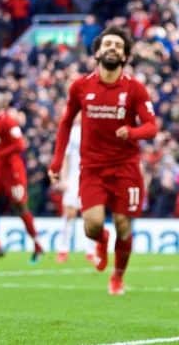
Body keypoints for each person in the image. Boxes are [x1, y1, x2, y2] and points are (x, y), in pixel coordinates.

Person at [49, 26, 157, 295]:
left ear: (125, 56)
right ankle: (100, 240)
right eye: (108, 44)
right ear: (97, 52)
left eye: (118, 46)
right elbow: (65, 124)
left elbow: (152, 127)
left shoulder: (135, 89)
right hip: (92, 169)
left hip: (126, 168)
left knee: (124, 226)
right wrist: (56, 161)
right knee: (92, 225)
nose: (112, 48)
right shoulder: (80, 86)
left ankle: (117, 277)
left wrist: (131, 132)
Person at [0, 91, 44, 263]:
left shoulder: (8, 121)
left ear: (1, 104)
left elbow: (20, 145)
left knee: (20, 206)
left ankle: (37, 245)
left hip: (12, 170)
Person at [54, 119, 95, 264]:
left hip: (91, 178)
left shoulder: (98, 131)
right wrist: (64, 178)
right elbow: (66, 157)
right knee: (70, 213)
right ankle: (63, 249)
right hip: (74, 178)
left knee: (91, 214)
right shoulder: (74, 133)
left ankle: (91, 251)